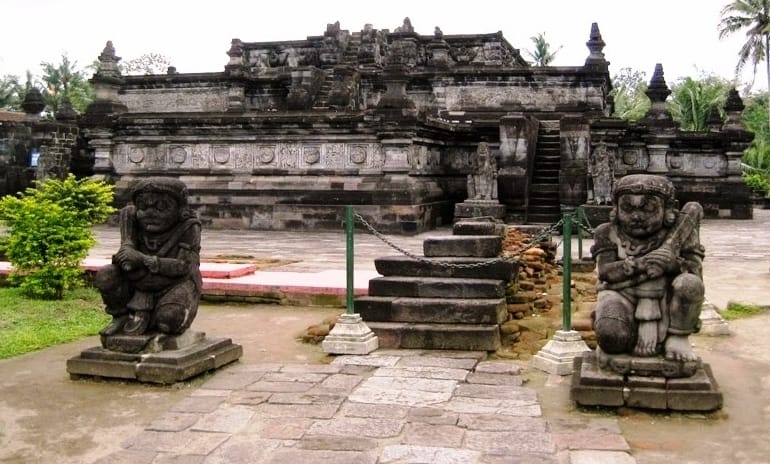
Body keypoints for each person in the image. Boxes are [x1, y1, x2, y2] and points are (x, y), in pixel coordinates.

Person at [591, 174, 704, 362]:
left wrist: (673, 264)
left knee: (690, 285)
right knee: (611, 337)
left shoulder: (681, 233)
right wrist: (640, 264)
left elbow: (695, 271)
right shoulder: (607, 232)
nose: (637, 216)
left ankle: (677, 337)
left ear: (667, 210)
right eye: (628, 208)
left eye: (648, 208)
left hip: (667, 297)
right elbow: (606, 271)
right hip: (621, 294)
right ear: (616, 209)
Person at [95, 177, 202, 337]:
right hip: (137, 281)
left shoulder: (188, 227)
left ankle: (150, 321)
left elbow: (183, 266)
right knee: (106, 275)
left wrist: (144, 260)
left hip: (173, 284)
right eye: (143, 207)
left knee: (169, 320)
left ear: (180, 210)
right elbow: (124, 258)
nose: (150, 214)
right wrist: (126, 249)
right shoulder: (132, 220)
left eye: (161, 207)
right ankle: (121, 316)